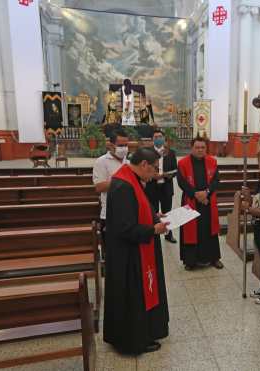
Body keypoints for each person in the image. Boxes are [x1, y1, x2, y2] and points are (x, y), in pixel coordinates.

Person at [103, 147, 170, 355]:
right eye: (154, 169)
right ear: (143, 165)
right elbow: (125, 228)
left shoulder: (130, 178)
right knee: (133, 296)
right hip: (129, 256)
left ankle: (147, 331)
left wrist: (153, 215)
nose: (155, 174)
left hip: (134, 250)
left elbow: (136, 210)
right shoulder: (123, 185)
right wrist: (153, 229)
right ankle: (133, 340)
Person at [177, 136, 223, 270]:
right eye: (197, 147)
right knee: (190, 230)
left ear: (206, 148)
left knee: (210, 229)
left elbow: (216, 181)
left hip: (208, 202)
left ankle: (214, 258)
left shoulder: (212, 162)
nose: (200, 150)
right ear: (192, 148)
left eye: (203, 147)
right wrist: (196, 194)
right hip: (191, 201)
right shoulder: (183, 163)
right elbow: (181, 182)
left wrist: (206, 192)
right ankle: (190, 261)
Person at [93, 129, 129, 245]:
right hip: (109, 214)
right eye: (121, 145)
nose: (124, 148)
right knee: (111, 250)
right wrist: (121, 181)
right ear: (111, 145)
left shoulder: (128, 162)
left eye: (126, 145)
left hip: (128, 214)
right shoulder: (101, 162)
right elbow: (99, 187)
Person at [145, 129, 178, 243]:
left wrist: (164, 175)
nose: (158, 139)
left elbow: (175, 170)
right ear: (152, 139)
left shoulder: (170, 152)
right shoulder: (147, 152)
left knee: (167, 212)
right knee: (153, 212)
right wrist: (152, 175)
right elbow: (143, 168)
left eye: (160, 136)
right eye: (155, 137)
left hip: (166, 187)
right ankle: (154, 234)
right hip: (151, 187)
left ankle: (168, 235)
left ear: (164, 139)